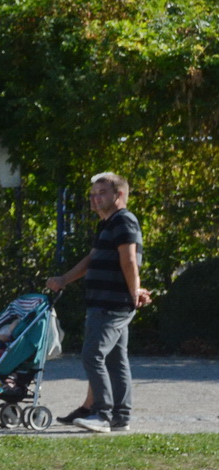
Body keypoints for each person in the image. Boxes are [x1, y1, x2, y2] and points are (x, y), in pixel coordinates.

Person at [47, 172, 150, 434]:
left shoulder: (124, 220)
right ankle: (120, 417)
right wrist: (64, 279)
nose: (95, 198)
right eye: (93, 194)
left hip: (112, 302)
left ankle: (102, 414)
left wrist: (134, 292)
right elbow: (91, 259)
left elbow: (129, 260)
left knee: (92, 355)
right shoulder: (107, 224)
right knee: (116, 360)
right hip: (103, 300)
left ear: (119, 195)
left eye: (102, 193)